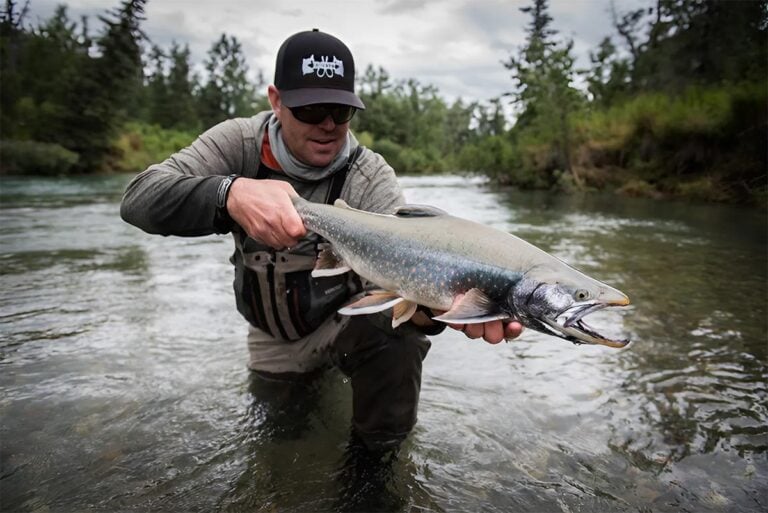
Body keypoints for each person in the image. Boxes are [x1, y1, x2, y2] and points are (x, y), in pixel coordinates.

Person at [120, 29, 523, 452]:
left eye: (340, 110)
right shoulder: (237, 143)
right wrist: (230, 194)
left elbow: (395, 301)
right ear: (277, 101)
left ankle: (373, 474)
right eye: (311, 109)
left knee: (399, 339)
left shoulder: (370, 178)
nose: (328, 124)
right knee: (280, 440)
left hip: (342, 325)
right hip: (271, 338)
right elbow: (139, 198)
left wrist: (434, 311)